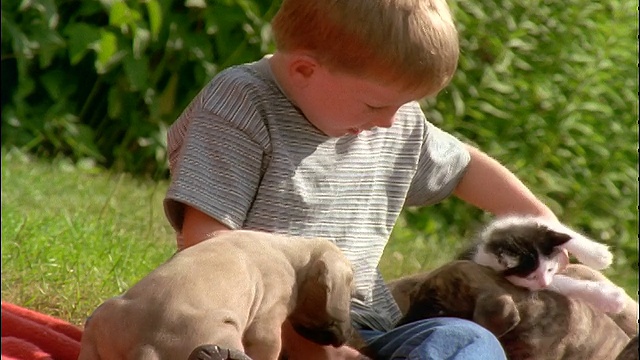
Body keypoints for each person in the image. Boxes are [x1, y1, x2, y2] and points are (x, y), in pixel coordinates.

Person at [163, 0, 559, 359]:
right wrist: (302, 345)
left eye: (404, 106)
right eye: (377, 104)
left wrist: (541, 219)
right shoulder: (241, 105)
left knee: (470, 341)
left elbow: (464, 168)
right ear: (305, 69)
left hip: (361, 329)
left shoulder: (387, 121)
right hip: (250, 326)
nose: (390, 121)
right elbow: (205, 248)